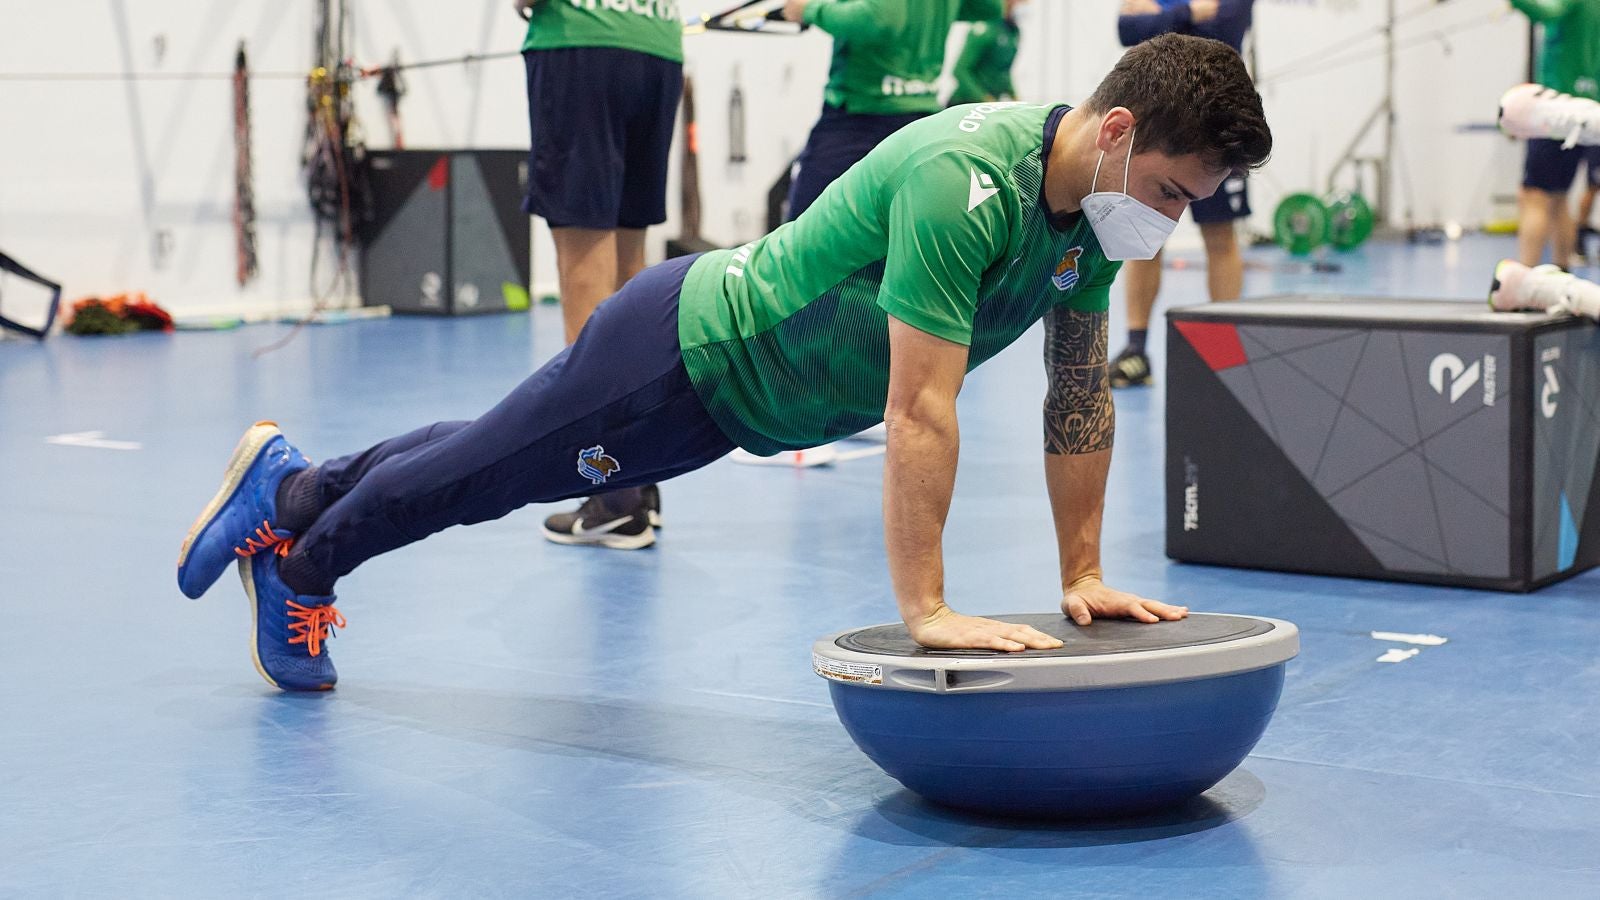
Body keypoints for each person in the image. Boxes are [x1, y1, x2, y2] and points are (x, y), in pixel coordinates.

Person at [175, 34, 1272, 691]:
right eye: (1171, 192)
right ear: (1119, 129)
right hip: (686, 359)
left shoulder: (1082, 218)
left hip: (729, 399)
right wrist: (926, 607)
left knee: (492, 451)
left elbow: (1078, 394)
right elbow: (920, 408)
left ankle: (293, 484)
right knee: (487, 478)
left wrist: (1080, 574)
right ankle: (302, 562)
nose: (1169, 222)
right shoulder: (967, 182)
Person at [516, 0, 681, 547]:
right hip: (656, 44)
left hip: (581, 42)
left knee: (586, 275)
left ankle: (611, 494)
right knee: (631, 275)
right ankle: (640, 479)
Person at [1108, 0, 1256, 388]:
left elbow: (1224, 28)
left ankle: (1222, 357)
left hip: (1220, 124)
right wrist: (1192, 11)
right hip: (1158, 122)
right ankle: (1135, 350)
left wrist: (1163, 18)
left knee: (1220, 238)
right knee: (1144, 236)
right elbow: (1128, 32)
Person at [780, 0, 1003, 220]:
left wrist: (808, 10)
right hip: (920, 114)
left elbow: (877, 18)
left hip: (863, 115)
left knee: (803, 227)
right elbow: (989, 7)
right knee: (890, 225)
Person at [1509, 0, 1600, 271]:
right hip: (1586, 109)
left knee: (1534, 195)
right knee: (1559, 196)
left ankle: (1526, 280)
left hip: (1555, 109)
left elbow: (1547, 13)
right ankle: (1562, 273)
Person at [948, 0, 1028, 107]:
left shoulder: (1013, 31)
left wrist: (1016, 98)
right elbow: (960, 70)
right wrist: (984, 98)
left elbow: (1003, 71)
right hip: (966, 104)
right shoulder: (985, 28)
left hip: (990, 104)